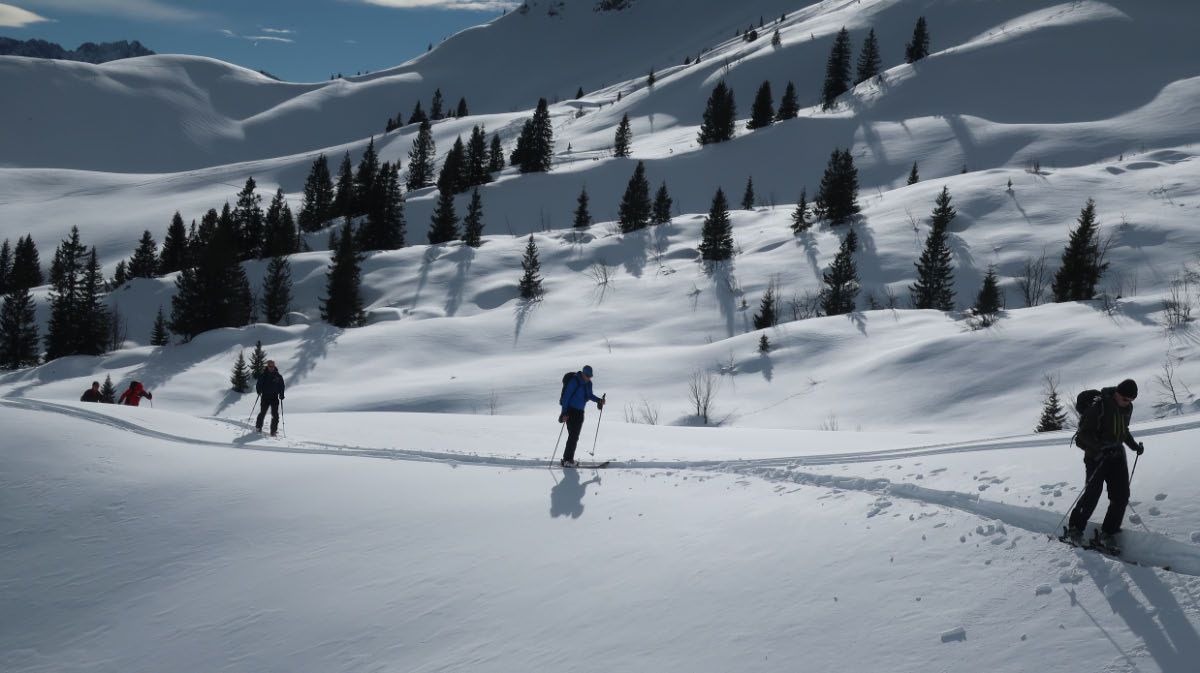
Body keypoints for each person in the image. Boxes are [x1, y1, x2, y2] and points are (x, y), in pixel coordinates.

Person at [1067, 379, 1144, 542]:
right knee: (1093, 493)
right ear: (1117, 393)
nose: (1127, 403)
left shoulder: (1128, 407)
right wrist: (1102, 447)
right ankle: (1075, 528)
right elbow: (1084, 434)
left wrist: (1134, 446)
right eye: (1125, 399)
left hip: (1117, 456)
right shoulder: (1098, 407)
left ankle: (1109, 533)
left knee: (1121, 496)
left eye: (1131, 400)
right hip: (1096, 456)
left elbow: (1123, 431)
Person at [558, 365, 605, 467]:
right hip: (571, 412)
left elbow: (589, 395)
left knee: (574, 436)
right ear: (583, 373)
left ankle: (568, 459)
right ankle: (567, 460)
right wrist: (564, 413)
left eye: (590, 376)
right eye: (587, 375)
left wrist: (599, 400)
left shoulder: (589, 384)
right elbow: (566, 397)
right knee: (573, 436)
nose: (589, 378)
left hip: (580, 413)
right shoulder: (574, 381)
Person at [255, 359, 286, 436]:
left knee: (275, 415)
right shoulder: (263, 375)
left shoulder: (278, 376)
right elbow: (258, 384)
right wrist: (259, 391)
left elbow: (281, 386)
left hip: (274, 397)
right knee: (262, 413)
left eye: (272, 366)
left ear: (274, 366)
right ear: (267, 366)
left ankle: (273, 431)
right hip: (265, 396)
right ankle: (258, 427)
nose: (271, 367)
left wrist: (281, 394)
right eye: (269, 366)